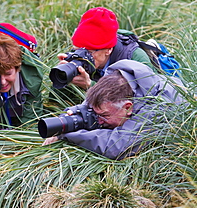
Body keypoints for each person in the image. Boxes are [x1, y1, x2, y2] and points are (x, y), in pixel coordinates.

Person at [42, 60, 185, 160]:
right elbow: (87, 106)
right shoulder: (112, 83)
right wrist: (63, 122)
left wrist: (67, 135)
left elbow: (117, 146)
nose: (98, 120)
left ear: (128, 108)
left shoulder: (158, 108)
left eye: (104, 115)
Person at [56, 7, 154, 91]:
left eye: (89, 52)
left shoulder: (134, 58)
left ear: (108, 50)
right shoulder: (76, 57)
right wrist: (64, 74)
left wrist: (90, 86)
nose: (82, 56)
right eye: (78, 49)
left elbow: (150, 99)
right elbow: (55, 105)